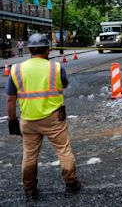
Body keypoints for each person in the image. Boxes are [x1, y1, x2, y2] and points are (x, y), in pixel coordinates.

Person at [6, 33, 81, 200]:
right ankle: (71, 183)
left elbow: (11, 99)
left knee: (30, 154)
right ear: (47, 49)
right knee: (63, 150)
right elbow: (64, 83)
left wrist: (12, 120)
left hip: (28, 120)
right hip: (54, 119)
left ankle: (30, 189)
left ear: (31, 50)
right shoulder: (55, 68)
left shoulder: (16, 69)